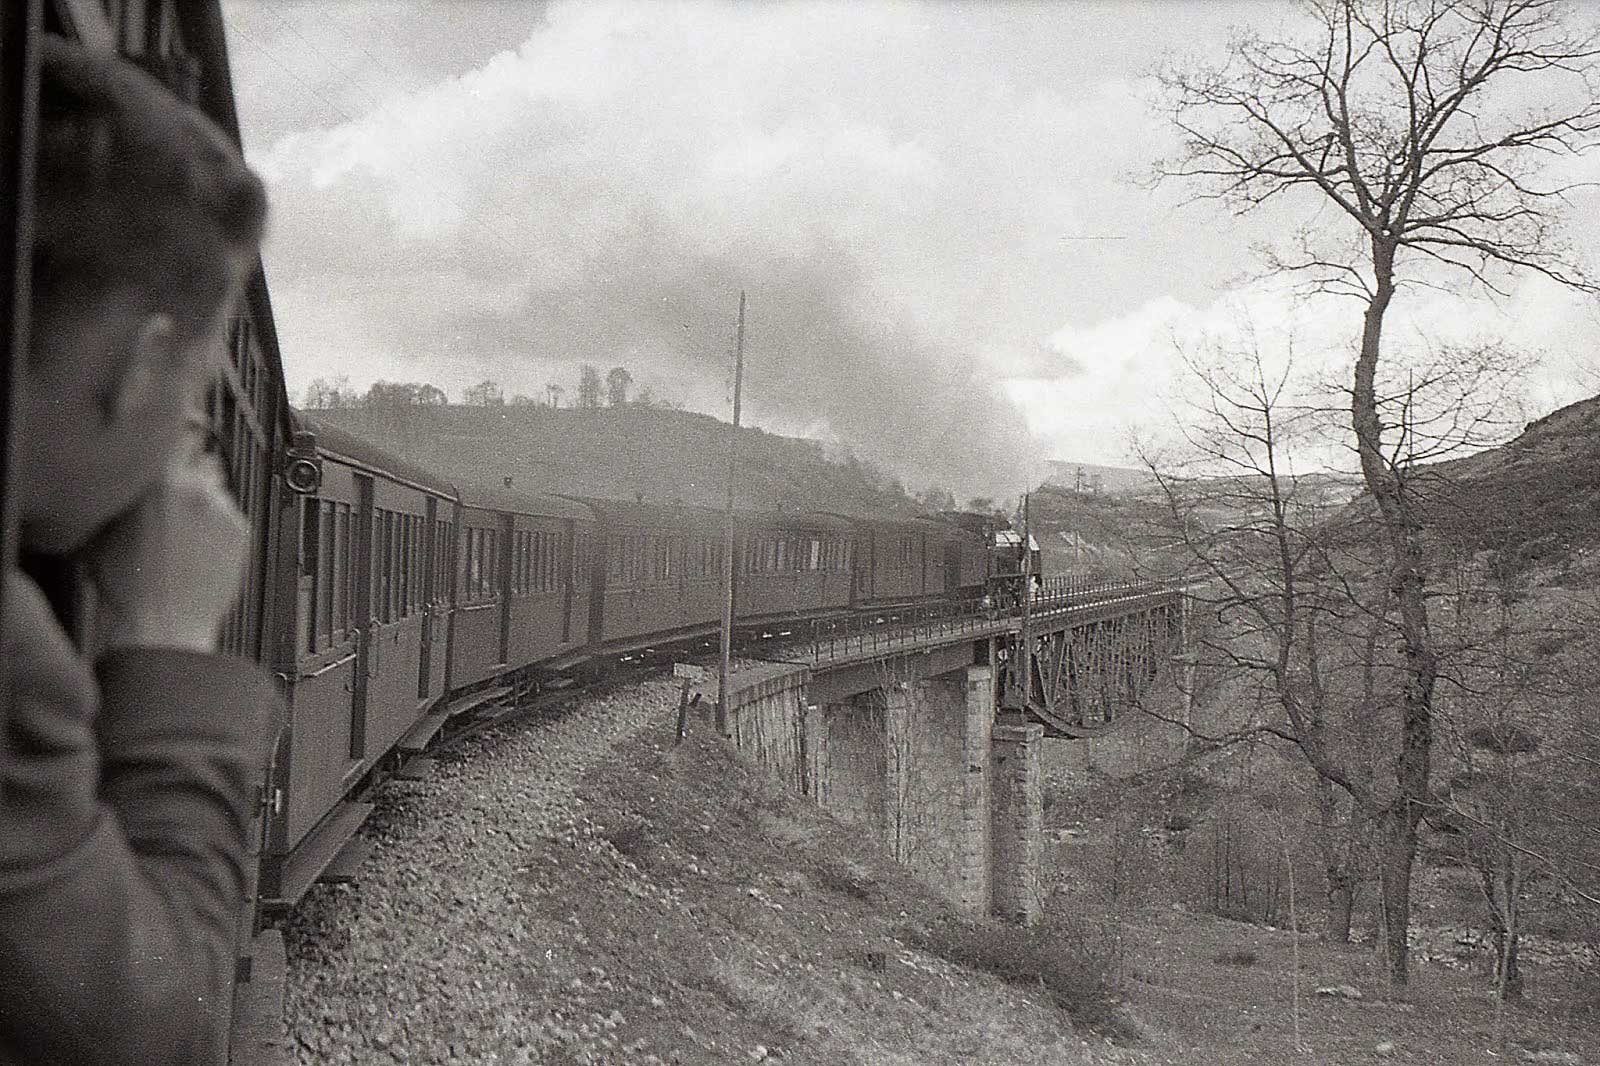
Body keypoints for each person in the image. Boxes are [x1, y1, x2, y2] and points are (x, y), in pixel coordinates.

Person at [1, 37, 278, 1065]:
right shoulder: (12, 660)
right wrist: (170, 640)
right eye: (198, 391)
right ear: (145, 361)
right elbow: (155, 1035)